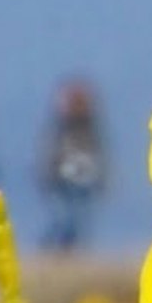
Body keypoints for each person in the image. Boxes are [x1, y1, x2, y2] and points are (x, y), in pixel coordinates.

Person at [40, 77, 107, 252]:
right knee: (68, 217)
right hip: (68, 178)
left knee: (74, 217)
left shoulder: (86, 126)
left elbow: (98, 153)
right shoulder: (69, 127)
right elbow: (54, 152)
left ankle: (65, 248)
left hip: (80, 178)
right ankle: (59, 247)